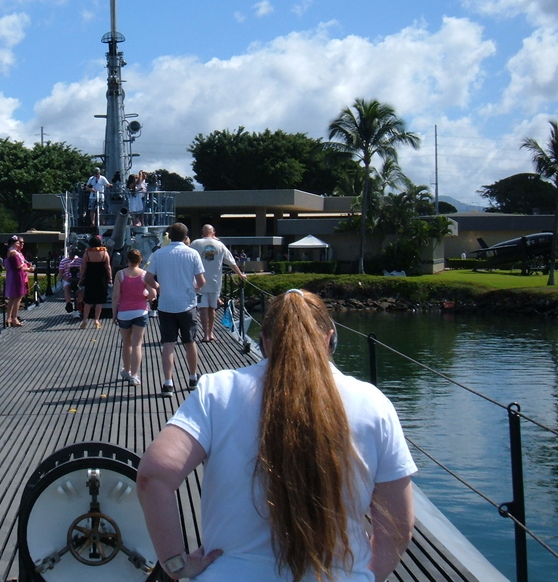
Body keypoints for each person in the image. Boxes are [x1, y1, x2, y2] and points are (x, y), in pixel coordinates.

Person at [136, 289, 416, 582]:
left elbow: (154, 476)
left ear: (265, 341)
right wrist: (365, 575)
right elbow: (398, 525)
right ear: (330, 338)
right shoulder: (372, 403)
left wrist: (176, 565)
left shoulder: (218, 392)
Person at [144, 223, 205, 395]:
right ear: (186, 237)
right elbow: (201, 281)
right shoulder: (192, 253)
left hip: (166, 305)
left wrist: (159, 286)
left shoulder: (159, 254)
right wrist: (194, 287)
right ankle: (193, 378)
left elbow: (148, 277)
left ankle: (168, 382)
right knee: (190, 342)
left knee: (168, 344)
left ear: (169, 235)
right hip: (187, 304)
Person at [191, 225, 247, 342]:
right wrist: (240, 274)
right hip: (215, 282)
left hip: (199, 281)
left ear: (202, 233)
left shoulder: (195, 243)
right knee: (212, 308)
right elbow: (231, 262)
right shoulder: (220, 245)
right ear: (214, 233)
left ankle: (205, 334)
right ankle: (211, 333)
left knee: (203, 309)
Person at [111, 249, 159, 386]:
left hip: (124, 312)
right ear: (141, 260)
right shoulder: (144, 275)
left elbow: (115, 296)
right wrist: (146, 296)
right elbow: (153, 294)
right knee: (137, 344)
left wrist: (114, 313)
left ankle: (126, 370)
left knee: (126, 343)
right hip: (140, 311)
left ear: (127, 260)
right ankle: (135, 375)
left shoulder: (120, 274)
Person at [79, 235, 112, 329]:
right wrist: (110, 278)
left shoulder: (87, 253)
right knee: (99, 301)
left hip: (90, 278)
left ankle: (85, 319)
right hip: (101, 278)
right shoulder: (104, 252)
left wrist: (81, 278)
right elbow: (108, 267)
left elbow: (83, 268)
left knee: (88, 301)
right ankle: (96, 320)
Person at [4, 236, 34, 327]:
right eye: (17, 243)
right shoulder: (13, 253)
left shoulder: (14, 252)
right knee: (18, 298)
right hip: (17, 276)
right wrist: (28, 268)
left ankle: (9, 318)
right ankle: (14, 318)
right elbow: (18, 266)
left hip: (15, 276)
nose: (19, 244)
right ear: (13, 243)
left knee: (13, 298)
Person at [58, 248, 81, 313]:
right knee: (66, 287)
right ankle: (68, 303)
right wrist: (65, 277)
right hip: (68, 278)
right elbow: (60, 273)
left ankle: (79, 305)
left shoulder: (80, 261)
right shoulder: (63, 261)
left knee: (81, 290)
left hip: (78, 279)